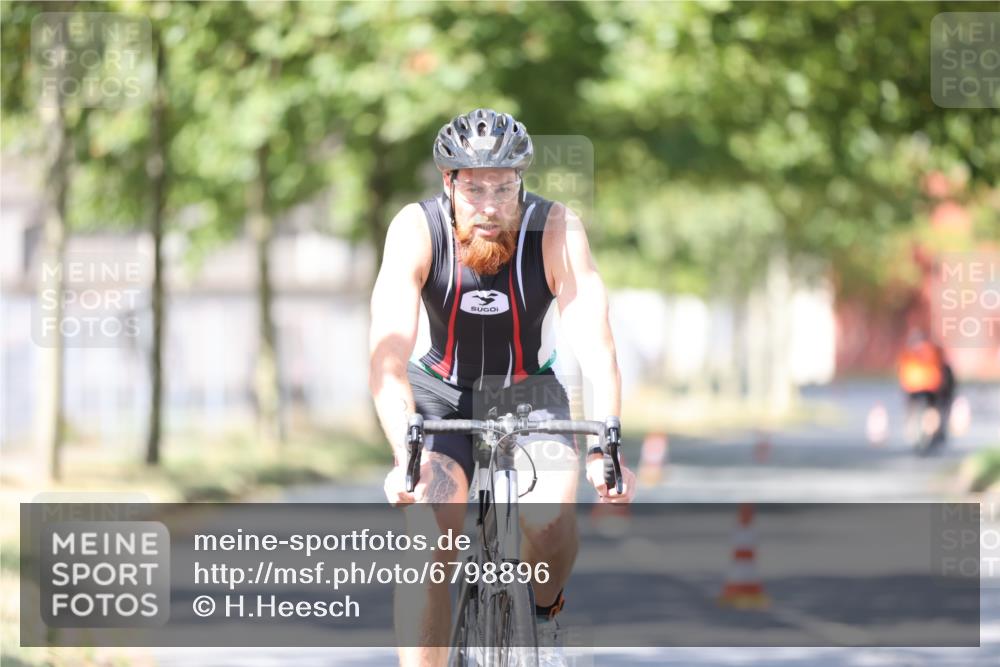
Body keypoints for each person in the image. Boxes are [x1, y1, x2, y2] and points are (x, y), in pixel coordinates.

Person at [368, 108, 636, 667]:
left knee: (548, 517)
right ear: (448, 183)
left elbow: (594, 341)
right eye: (473, 188)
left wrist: (604, 445)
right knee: (428, 537)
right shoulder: (416, 230)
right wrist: (404, 452)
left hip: (529, 392)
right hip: (440, 395)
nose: (489, 206)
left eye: (504, 187)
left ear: (522, 182)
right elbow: (388, 353)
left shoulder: (557, 229)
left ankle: (544, 616)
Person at [896, 329, 956, 446]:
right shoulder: (934, 350)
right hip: (930, 387)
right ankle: (930, 432)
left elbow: (902, 370)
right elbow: (943, 368)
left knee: (917, 409)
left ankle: (917, 433)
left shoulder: (908, 352)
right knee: (932, 409)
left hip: (915, 387)